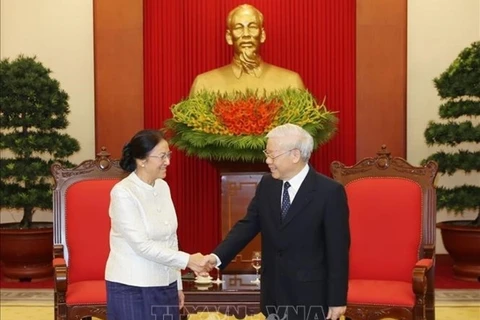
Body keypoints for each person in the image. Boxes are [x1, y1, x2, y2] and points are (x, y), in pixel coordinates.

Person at [205, 124, 350, 320]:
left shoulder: (329, 192)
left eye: (272, 155)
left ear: (295, 155)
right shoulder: (267, 185)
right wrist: (216, 257)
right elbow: (247, 225)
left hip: (310, 295)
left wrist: (337, 299)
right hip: (273, 292)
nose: (267, 161)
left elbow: (338, 251)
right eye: (267, 154)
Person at [105, 129, 212, 320]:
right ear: (142, 160)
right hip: (132, 286)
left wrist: (177, 284)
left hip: (166, 284)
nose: (168, 162)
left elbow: (171, 237)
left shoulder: (163, 186)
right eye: (162, 156)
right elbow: (142, 246)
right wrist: (188, 260)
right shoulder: (123, 193)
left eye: (168, 155)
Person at [189, 4, 305, 95]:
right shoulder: (204, 84)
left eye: (252, 27)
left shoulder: (291, 82)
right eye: (238, 28)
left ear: (262, 35)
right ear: (229, 37)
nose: (246, 34)